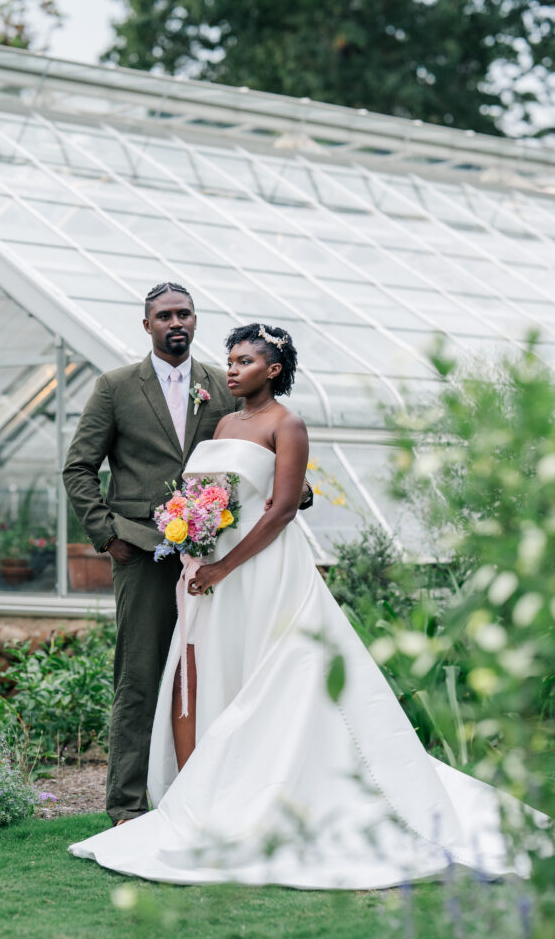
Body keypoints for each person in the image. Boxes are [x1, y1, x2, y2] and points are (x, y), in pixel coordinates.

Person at [69, 323, 547, 888]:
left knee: (277, 678)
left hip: (263, 569)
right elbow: (205, 496)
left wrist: (225, 563)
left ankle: (287, 791)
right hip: (212, 574)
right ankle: (212, 794)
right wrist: (192, 538)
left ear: (272, 370)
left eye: (244, 360)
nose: (231, 368)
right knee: (213, 677)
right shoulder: (223, 421)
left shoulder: (287, 424)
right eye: (230, 359)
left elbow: (281, 509)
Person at [63, 287, 312, 826]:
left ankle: (206, 793)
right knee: (140, 674)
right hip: (142, 553)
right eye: (164, 316)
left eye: (184, 313)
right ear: (147, 324)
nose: (176, 322)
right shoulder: (115, 388)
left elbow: (260, 449)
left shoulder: (221, 385)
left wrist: (296, 493)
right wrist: (108, 535)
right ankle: (127, 805)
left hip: (215, 556)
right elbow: (79, 467)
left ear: (194, 320)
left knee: (211, 674)